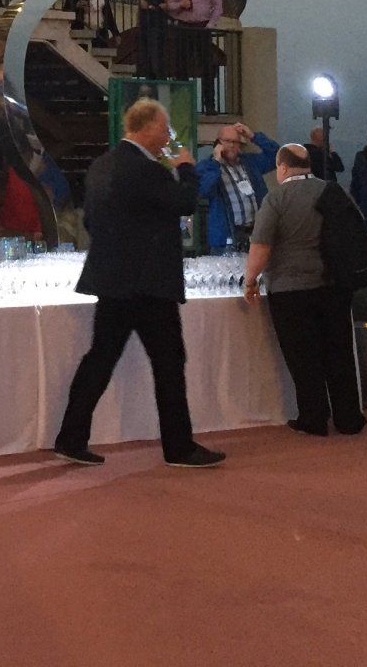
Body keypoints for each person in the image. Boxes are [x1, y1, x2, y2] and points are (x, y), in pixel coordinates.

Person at [53, 98, 223, 469]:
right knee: (169, 362)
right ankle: (179, 448)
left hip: (111, 280)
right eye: (164, 129)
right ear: (146, 128)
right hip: (148, 285)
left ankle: (70, 438)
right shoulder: (147, 171)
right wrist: (187, 168)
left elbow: (91, 221)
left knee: (100, 358)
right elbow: (185, 203)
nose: (167, 137)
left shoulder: (101, 165)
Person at [244, 144, 366, 437]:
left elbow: (261, 246)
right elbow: (357, 227)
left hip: (291, 289)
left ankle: (314, 417)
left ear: (282, 167)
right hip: (334, 284)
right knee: (339, 352)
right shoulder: (334, 191)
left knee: (304, 356)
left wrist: (250, 280)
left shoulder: (277, 198)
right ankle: (349, 418)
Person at [196, 121, 279, 252]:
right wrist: (216, 163)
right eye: (228, 141)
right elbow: (203, 191)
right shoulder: (207, 166)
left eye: (236, 142)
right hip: (227, 237)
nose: (232, 145)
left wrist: (253, 136)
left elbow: (277, 155)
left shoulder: (250, 162)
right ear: (218, 143)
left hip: (255, 232)